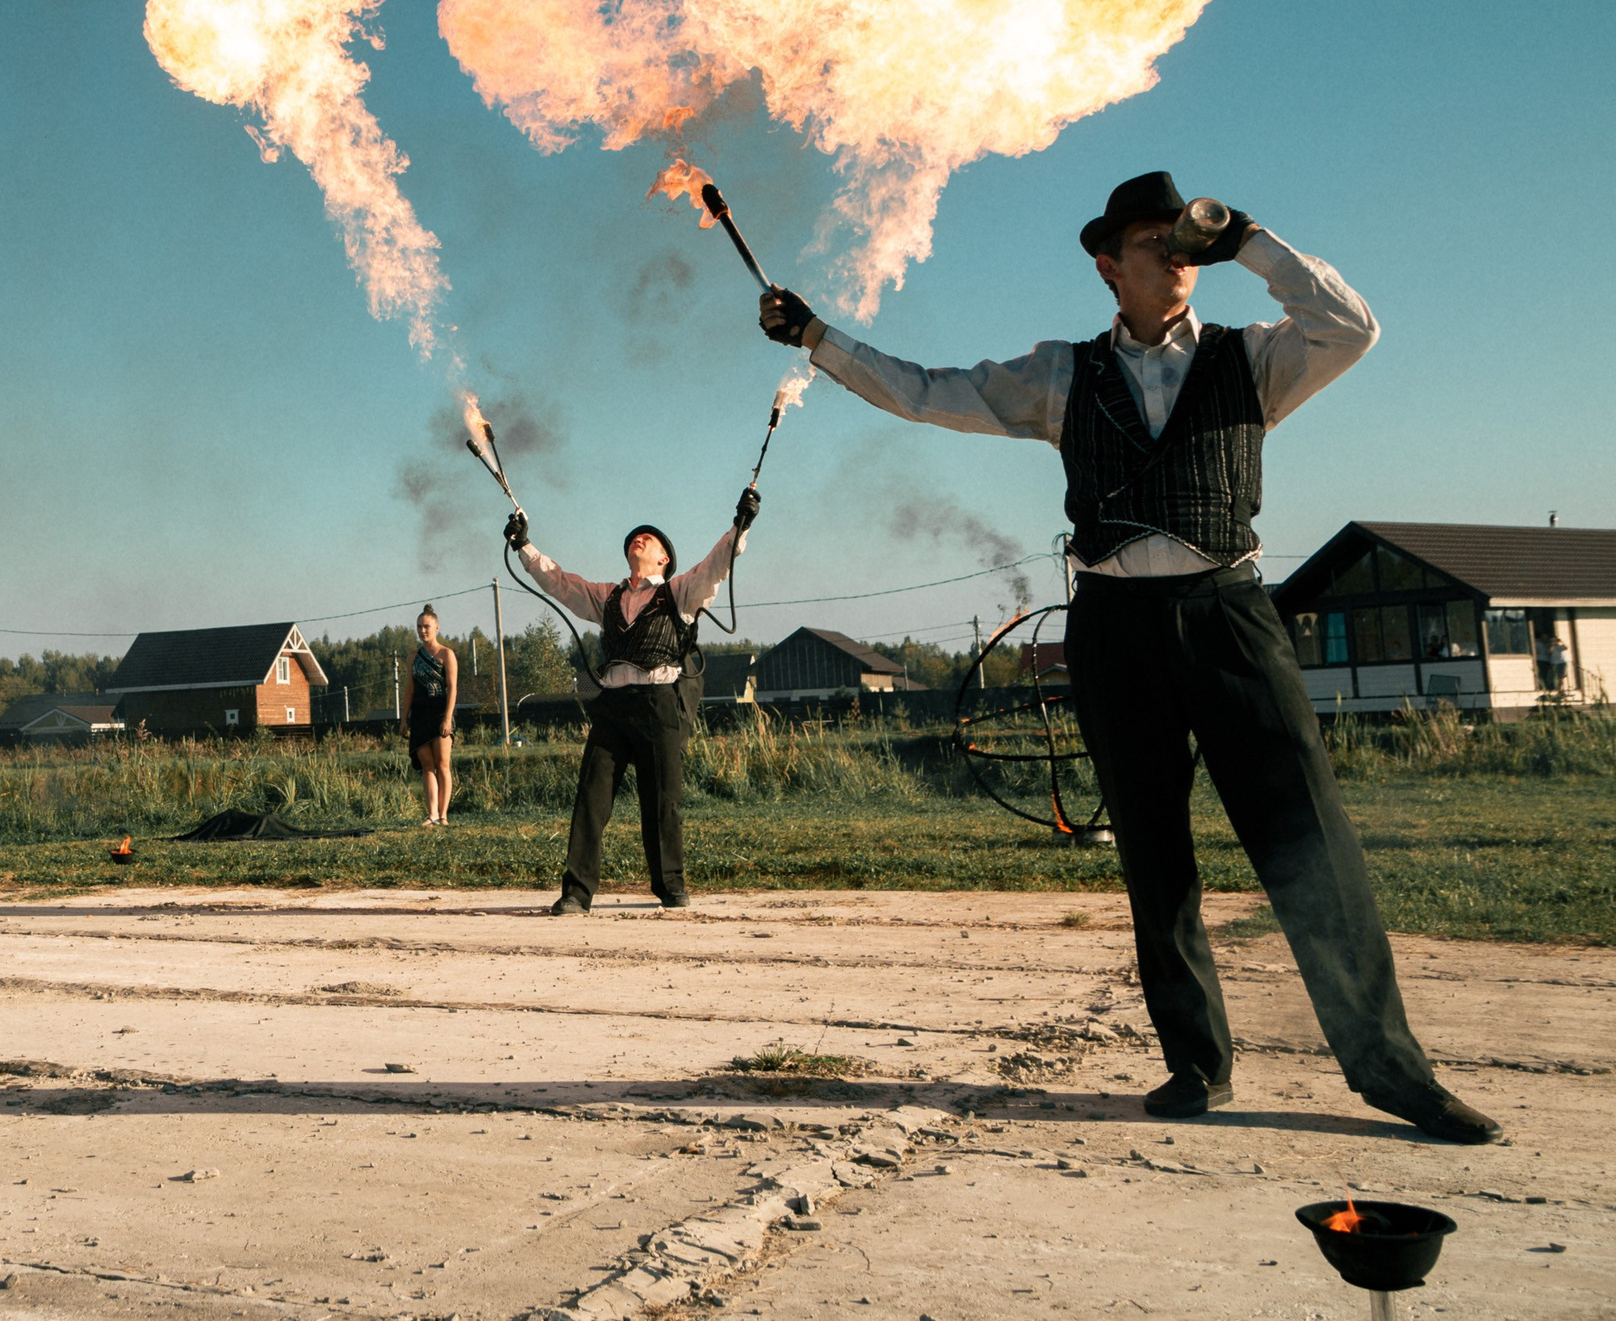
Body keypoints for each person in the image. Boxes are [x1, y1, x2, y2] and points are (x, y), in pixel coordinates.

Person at [760, 169, 1498, 1145]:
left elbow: (1351, 325)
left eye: (1184, 243)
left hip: (1230, 616)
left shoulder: (1256, 358)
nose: (1176, 258)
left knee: (1307, 841)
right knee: (1155, 857)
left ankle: (1392, 1071)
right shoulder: (1059, 374)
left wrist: (1253, 244)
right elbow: (929, 392)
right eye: (1155, 244)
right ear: (1108, 267)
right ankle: (1196, 1064)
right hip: (1114, 625)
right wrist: (817, 337)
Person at [509, 487, 757, 916]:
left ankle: (671, 886)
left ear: (664, 559)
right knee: (591, 796)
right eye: (633, 539)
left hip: (659, 703)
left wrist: (741, 525)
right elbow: (560, 582)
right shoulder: (607, 596)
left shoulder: (681, 592)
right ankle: (575, 893)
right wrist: (524, 546)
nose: (638, 540)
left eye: (649, 539)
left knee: (662, 798)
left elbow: (717, 566)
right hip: (613, 705)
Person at [407, 609, 459, 827]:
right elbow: (408, 690)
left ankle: (444, 815)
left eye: (426, 626)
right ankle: (432, 814)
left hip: (440, 713)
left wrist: (447, 718)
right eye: (419, 626)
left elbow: (453, 688)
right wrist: (403, 720)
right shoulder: (412, 657)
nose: (422, 630)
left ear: (437, 627)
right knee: (427, 765)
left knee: (443, 764)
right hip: (419, 715)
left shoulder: (447, 654)